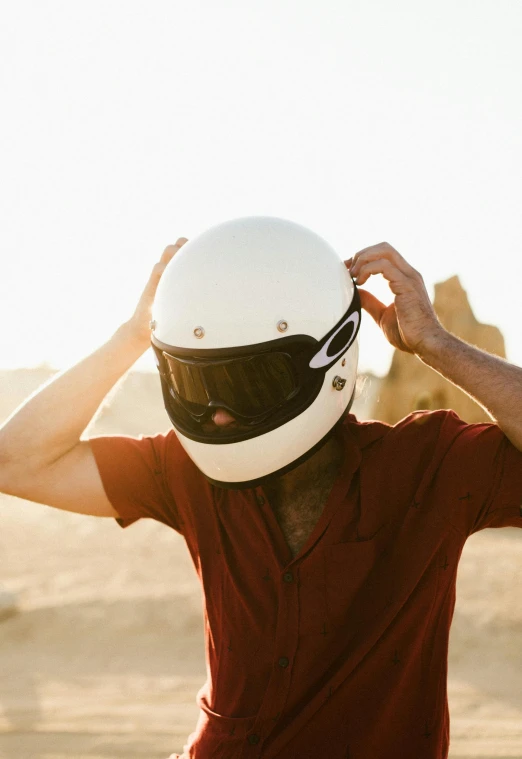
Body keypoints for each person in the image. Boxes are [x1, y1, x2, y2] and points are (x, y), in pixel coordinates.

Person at [1, 216, 521, 759]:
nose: (219, 417)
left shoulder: (429, 465)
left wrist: (436, 345)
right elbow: (16, 461)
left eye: (247, 384)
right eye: (196, 383)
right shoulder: (185, 470)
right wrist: (136, 333)